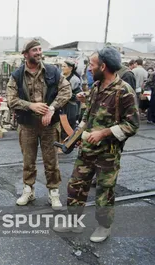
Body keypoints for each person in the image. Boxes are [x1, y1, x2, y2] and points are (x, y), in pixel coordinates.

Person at [54, 47, 140, 242]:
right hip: (86, 149)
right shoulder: (96, 87)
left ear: (103, 66)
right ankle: (73, 222)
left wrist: (104, 133)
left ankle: (104, 226)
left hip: (107, 154)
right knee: (76, 185)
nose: (89, 69)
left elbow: (133, 125)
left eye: (92, 65)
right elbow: (87, 117)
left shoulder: (124, 91)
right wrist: (75, 137)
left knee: (104, 190)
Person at [6, 40, 72, 209]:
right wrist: (30, 105)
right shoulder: (17, 75)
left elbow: (66, 90)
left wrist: (51, 108)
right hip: (27, 125)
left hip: (49, 125)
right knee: (28, 160)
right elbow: (11, 99)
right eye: (34, 50)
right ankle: (28, 189)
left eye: (39, 49)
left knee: (51, 160)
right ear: (25, 54)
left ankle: (53, 191)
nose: (38, 52)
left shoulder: (53, 71)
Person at [60, 60, 82, 140]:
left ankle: (69, 144)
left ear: (71, 68)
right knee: (60, 125)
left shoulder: (75, 80)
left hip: (71, 105)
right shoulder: (60, 76)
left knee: (69, 124)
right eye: (61, 66)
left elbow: (78, 95)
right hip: (61, 104)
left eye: (64, 66)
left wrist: (66, 95)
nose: (62, 68)